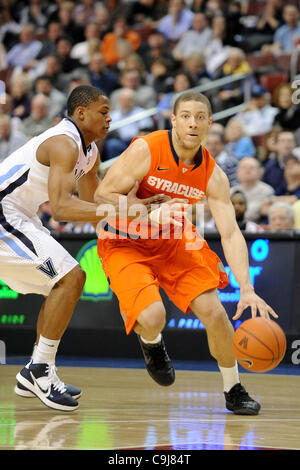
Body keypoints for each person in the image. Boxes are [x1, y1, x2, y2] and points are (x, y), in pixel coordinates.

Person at [94, 90, 277, 415]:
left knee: (217, 315)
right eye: (186, 116)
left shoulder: (212, 173)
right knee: (153, 319)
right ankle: (151, 342)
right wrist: (147, 214)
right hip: (124, 241)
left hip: (174, 240)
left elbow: (231, 233)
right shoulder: (146, 150)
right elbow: (101, 197)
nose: (193, 123)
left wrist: (247, 288)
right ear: (174, 121)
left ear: (209, 123)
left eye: (201, 117)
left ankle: (233, 388)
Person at [1, 85, 166, 412]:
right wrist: (126, 210)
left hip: (22, 215)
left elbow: (95, 204)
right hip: (4, 213)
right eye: (103, 112)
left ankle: (37, 369)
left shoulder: (89, 152)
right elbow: (62, 208)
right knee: (71, 279)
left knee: (61, 285)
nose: (109, 118)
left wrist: (119, 248)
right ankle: (39, 371)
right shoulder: (63, 143)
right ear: (81, 114)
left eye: (109, 113)